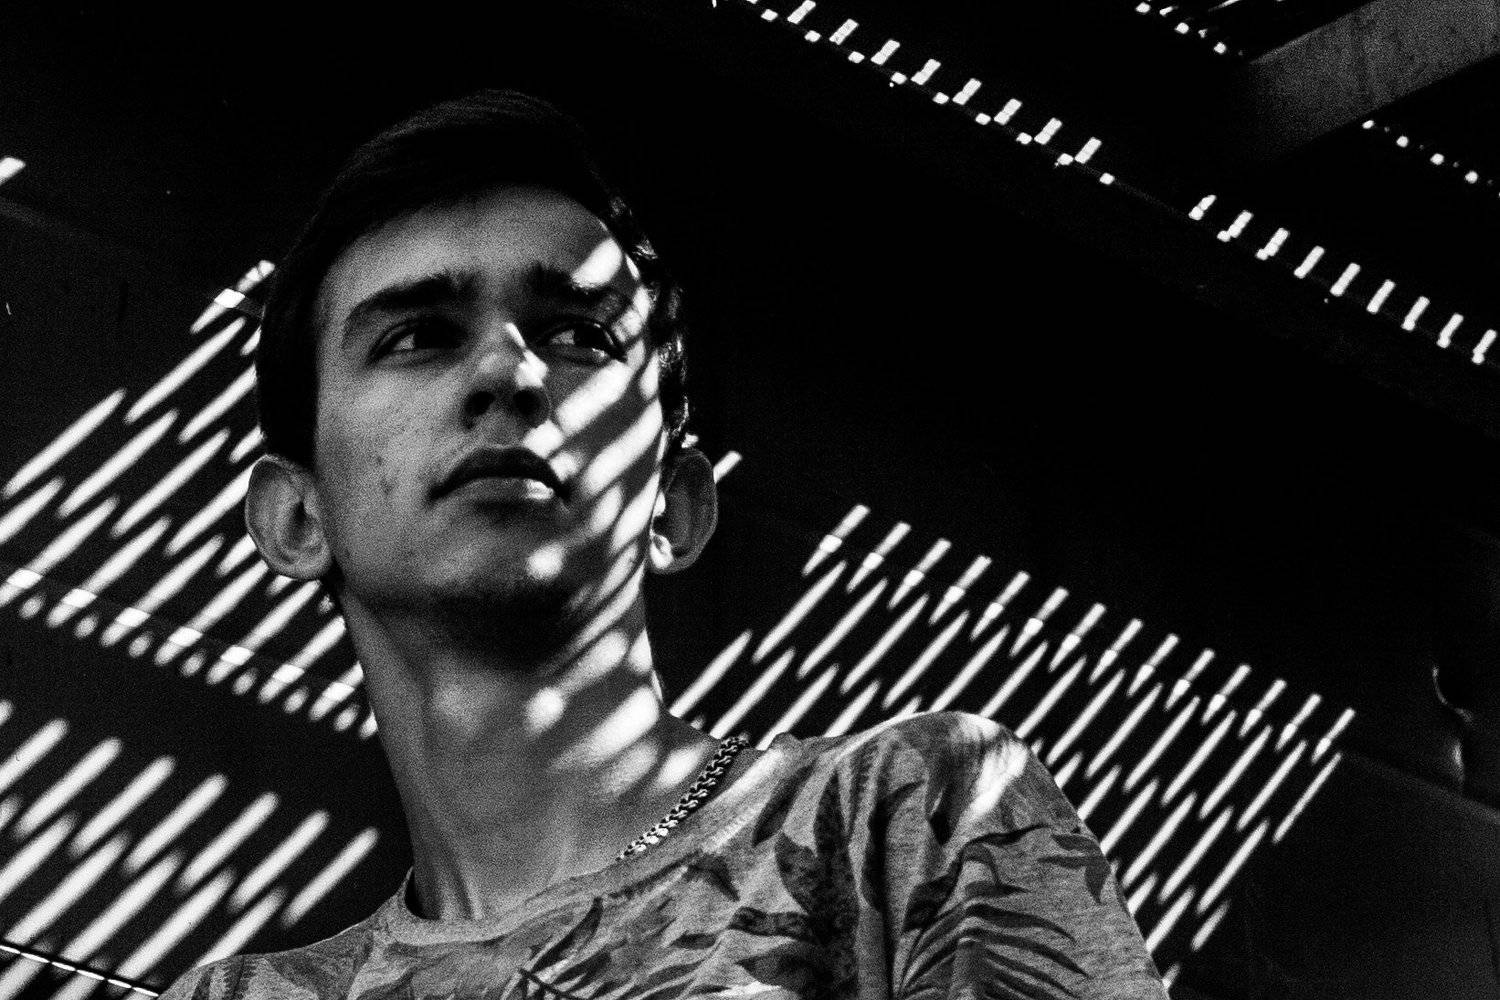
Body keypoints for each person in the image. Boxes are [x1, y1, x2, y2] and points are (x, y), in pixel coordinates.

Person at [160, 90, 1166, 999]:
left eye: (578, 335)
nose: (509, 372)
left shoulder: (907, 814)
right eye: (416, 335)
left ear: (674, 504)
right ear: (297, 518)